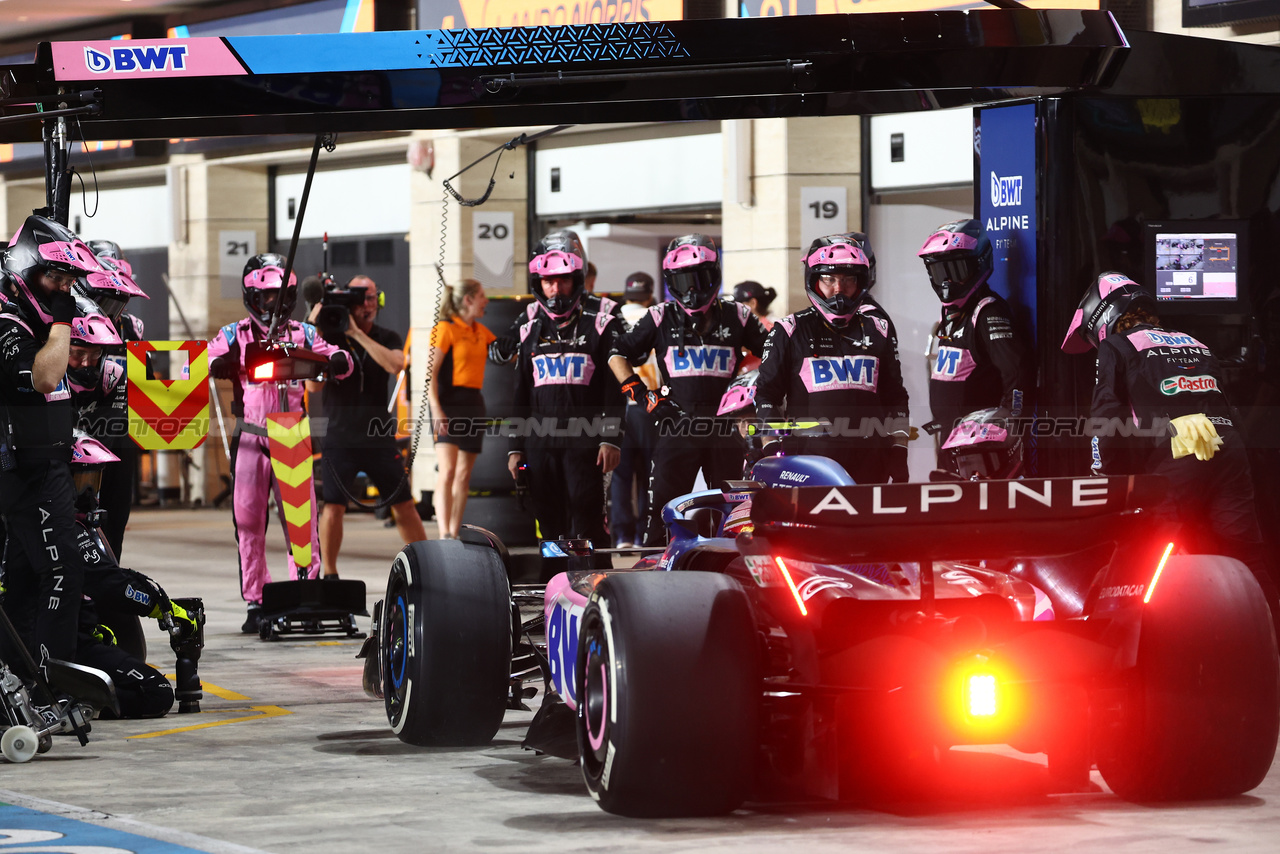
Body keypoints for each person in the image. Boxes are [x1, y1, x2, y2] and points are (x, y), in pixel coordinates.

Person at [1062, 272, 1278, 609]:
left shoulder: (1114, 345)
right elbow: (1229, 406)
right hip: (1229, 448)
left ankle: (1143, 645)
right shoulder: (1195, 342)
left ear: (1103, 317)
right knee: (1245, 556)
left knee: (1150, 554)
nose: (1094, 343)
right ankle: (1271, 645)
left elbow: (1104, 417)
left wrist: (1101, 477)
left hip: (1177, 454)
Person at [208, 253, 352, 632]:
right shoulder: (233, 334)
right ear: (252, 296)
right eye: (267, 296)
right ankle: (257, 601)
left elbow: (338, 356)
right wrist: (217, 364)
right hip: (251, 439)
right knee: (249, 522)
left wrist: (338, 361)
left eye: (282, 295)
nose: (274, 304)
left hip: (293, 435)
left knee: (301, 523)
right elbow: (199, 362)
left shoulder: (303, 334)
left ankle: (305, 593)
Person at [609, 234, 769, 545]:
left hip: (726, 425)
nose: (693, 290)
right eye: (684, 282)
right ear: (671, 282)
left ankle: (726, 569)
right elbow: (617, 354)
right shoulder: (660, 315)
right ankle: (656, 572)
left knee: (730, 509)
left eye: (700, 279)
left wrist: (754, 399)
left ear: (715, 276)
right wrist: (644, 398)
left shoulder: (738, 314)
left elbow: (776, 355)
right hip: (677, 421)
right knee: (665, 510)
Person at [0, 214, 104, 678]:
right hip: (27, 469)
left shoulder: (28, 319)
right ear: (25, 269)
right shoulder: (7, 322)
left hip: (46, 464)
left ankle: (22, 685)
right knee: (63, 572)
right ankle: (57, 684)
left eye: (67, 281)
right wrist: (63, 323)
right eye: (54, 278)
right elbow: (43, 377)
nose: (62, 289)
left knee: (23, 583)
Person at [755, 233, 911, 485]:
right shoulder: (788, 329)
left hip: (870, 460)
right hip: (807, 462)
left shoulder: (878, 328)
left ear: (861, 283)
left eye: (848, 279)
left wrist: (899, 449)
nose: (839, 289)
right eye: (829, 279)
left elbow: (896, 397)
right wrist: (771, 447)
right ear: (814, 281)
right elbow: (766, 395)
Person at [508, 230, 624, 552]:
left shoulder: (602, 324)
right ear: (538, 283)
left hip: (587, 446)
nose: (555, 289)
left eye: (562, 281)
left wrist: (610, 438)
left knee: (588, 524)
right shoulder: (529, 330)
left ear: (577, 278)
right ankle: (553, 590)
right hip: (539, 446)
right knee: (548, 527)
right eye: (548, 281)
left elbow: (615, 389)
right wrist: (515, 448)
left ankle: (598, 592)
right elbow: (520, 395)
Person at [310, 275, 428, 575]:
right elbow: (312, 388)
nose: (367, 306)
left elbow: (396, 364)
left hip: (378, 437)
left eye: (372, 298)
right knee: (334, 506)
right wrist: (313, 328)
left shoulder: (387, 336)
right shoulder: (329, 341)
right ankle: (330, 573)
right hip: (340, 437)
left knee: (403, 503)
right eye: (361, 300)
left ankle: (428, 566)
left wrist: (357, 334)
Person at [917, 218, 1032, 457]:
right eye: (940, 272)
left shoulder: (987, 312)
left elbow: (1018, 372)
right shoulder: (953, 314)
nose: (947, 282)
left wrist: (1011, 424)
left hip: (980, 447)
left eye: (956, 271)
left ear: (977, 265)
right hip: (953, 438)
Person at [77, 239, 148, 560]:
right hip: (76, 431)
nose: (116, 303)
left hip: (117, 435)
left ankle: (110, 589)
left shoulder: (133, 327)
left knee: (114, 522)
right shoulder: (65, 321)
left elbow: (145, 380)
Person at [427, 278, 494, 540]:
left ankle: (454, 533)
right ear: (468, 300)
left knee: (464, 475)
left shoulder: (481, 331)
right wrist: (436, 409)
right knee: (448, 471)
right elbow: (430, 373)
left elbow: (505, 350)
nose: (486, 301)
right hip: (448, 404)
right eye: (482, 296)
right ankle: (444, 533)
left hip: (473, 404)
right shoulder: (444, 329)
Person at [610, 272, 659, 548]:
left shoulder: (614, 321)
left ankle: (622, 537)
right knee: (649, 475)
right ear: (650, 294)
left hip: (621, 408)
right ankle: (645, 534)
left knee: (620, 475)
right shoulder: (658, 318)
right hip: (650, 405)